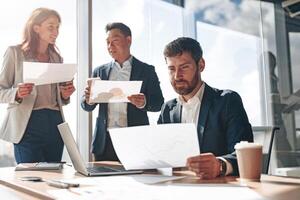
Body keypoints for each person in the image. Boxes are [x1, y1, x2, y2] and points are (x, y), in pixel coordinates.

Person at [158, 37, 253, 179]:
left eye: (184, 67)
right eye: (172, 69)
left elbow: (245, 153)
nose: (177, 76)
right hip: (175, 186)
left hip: (218, 187)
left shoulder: (227, 101)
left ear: (201, 65)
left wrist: (220, 165)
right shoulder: (167, 109)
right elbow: (159, 153)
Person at [0, 8, 75, 163]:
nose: (56, 31)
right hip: (28, 124)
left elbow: (59, 97)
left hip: (55, 122)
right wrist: (17, 93)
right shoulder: (15, 53)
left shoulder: (57, 58)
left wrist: (64, 95)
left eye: (57, 27)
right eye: (51, 27)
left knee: (53, 177)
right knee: (30, 178)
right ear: (36, 28)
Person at [81, 22, 164, 161]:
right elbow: (86, 105)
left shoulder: (147, 70)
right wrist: (88, 99)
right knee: (103, 182)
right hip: (105, 142)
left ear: (128, 40)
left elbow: (158, 103)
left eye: (115, 41)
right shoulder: (99, 71)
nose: (110, 46)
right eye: (107, 42)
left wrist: (144, 102)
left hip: (136, 141)